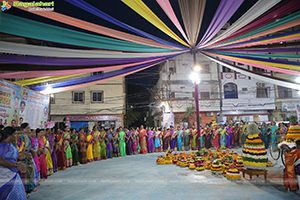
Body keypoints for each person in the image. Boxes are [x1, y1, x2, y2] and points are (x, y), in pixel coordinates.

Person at [0, 126, 28, 200]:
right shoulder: (4, 146)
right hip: (6, 175)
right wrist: (16, 165)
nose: (16, 136)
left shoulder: (10, 144)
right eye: (15, 134)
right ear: (9, 136)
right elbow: (1, 160)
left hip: (12, 173)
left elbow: (10, 157)